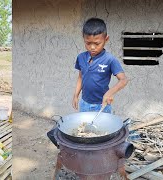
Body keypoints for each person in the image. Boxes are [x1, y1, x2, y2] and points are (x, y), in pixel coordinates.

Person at [47, 18, 128, 147]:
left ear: (106, 39)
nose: (92, 47)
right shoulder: (81, 57)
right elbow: (80, 77)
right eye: (88, 43)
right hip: (84, 104)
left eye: (97, 43)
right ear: (83, 39)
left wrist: (110, 93)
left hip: (102, 106)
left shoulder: (110, 60)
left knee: (102, 135)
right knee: (84, 134)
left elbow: (123, 80)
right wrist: (75, 95)